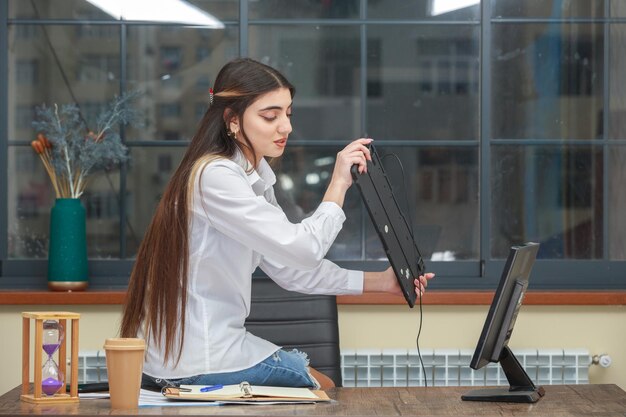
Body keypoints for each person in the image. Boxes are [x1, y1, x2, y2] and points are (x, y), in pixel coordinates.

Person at [120, 57, 435, 391]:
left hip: (203, 352)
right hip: (200, 359)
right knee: (325, 388)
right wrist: (338, 183)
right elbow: (303, 250)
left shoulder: (249, 178)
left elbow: (291, 269)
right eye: (270, 116)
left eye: (288, 114)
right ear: (233, 120)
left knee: (323, 385)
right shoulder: (216, 176)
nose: (285, 127)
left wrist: (382, 282)